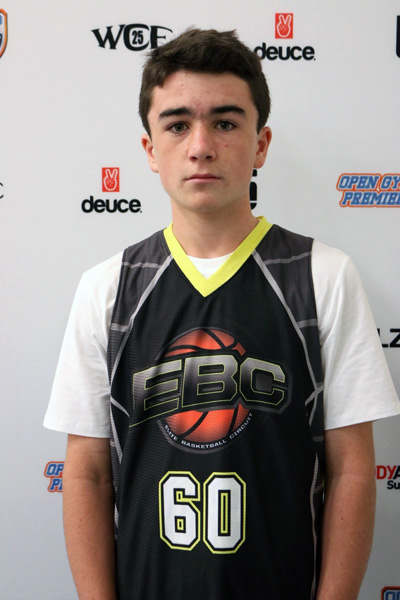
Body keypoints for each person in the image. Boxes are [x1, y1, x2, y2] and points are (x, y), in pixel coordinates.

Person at [44, 28, 400, 600]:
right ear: (149, 149)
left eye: (226, 123)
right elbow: (85, 472)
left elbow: (353, 469)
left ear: (260, 145)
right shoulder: (108, 288)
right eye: (177, 124)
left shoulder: (321, 275)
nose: (201, 146)